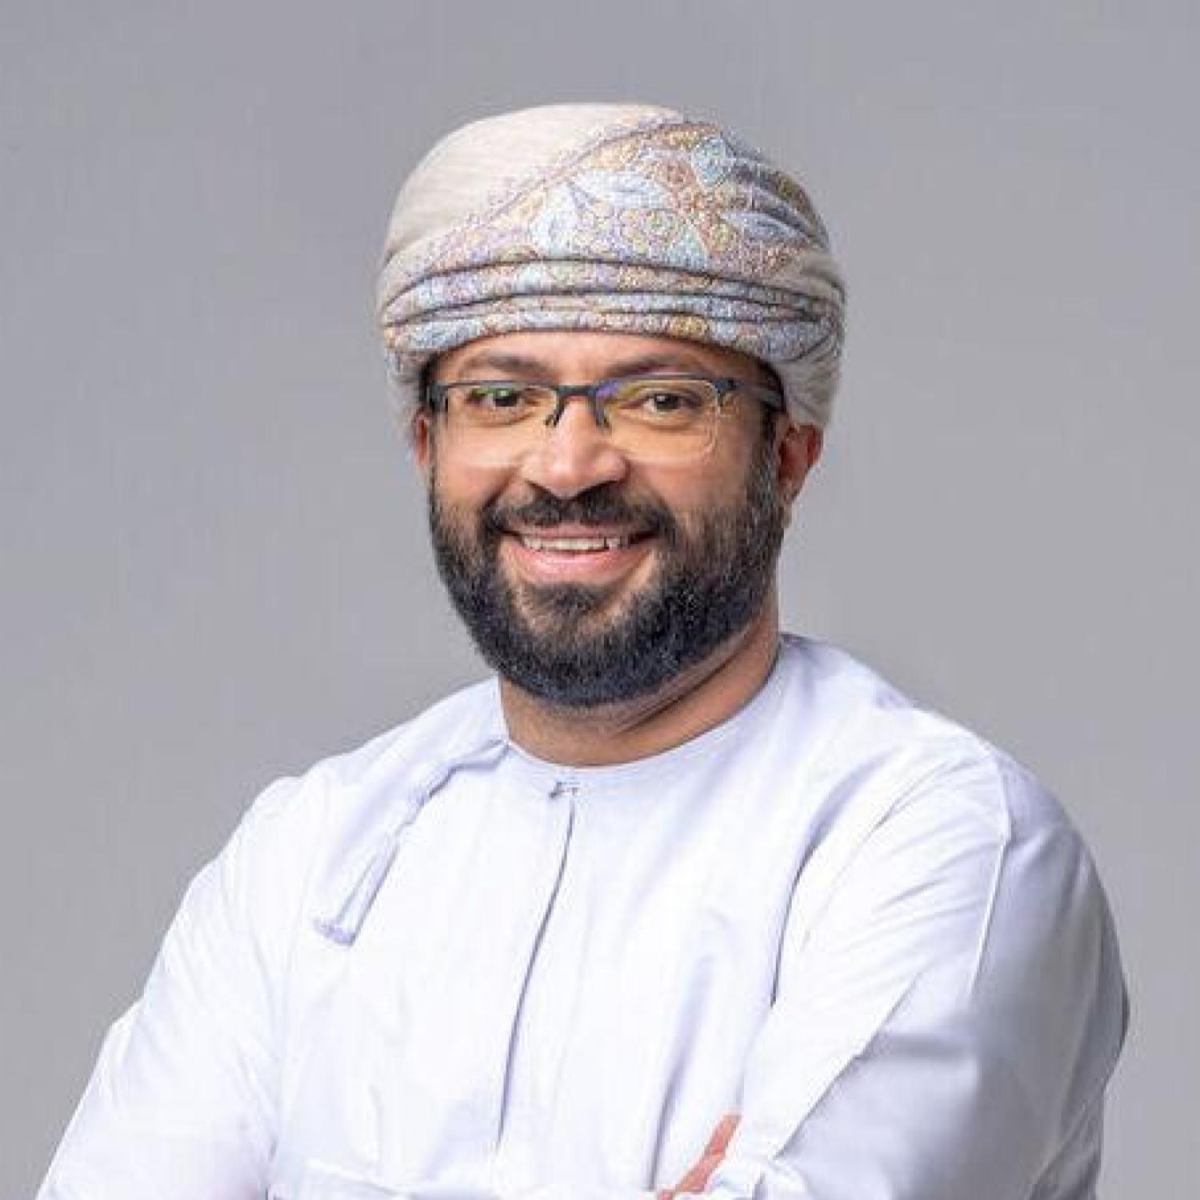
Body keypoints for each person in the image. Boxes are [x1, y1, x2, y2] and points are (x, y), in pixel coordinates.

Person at [39, 103, 1127, 1200]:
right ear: (426, 445)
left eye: (661, 400)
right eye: (500, 397)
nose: (566, 466)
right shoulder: (310, 855)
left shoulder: (939, 843)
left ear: (787, 458)